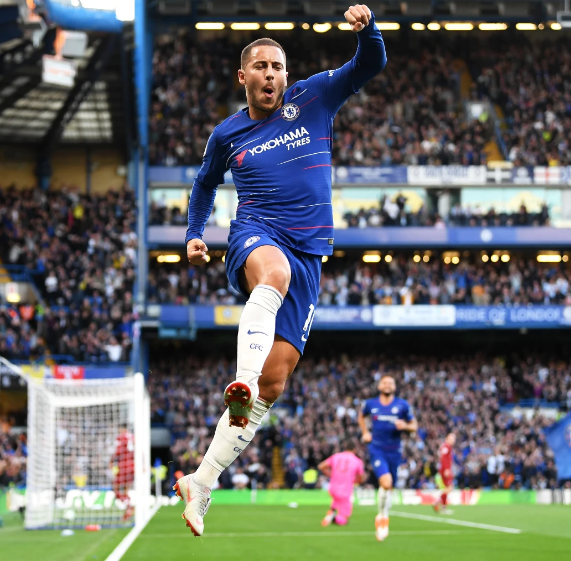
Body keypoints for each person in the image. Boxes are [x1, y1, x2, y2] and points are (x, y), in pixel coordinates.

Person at [176, 4, 386, 537]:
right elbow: (204, 184)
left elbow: (370, 64)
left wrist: (368, 31)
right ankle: (241, 383)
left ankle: (201, 482)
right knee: (274, 275)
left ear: (286, 76)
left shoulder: (313, 97)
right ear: (242, 77)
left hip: (310, 251)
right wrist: (195, 232)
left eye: (277, 67)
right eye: (260, 67)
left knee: (275, 380)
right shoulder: (227, 134)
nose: (270, 74)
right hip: (257, 232)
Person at [358, 375, 417, 542]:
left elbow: (414, 426)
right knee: (386, 482)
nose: (387, 385)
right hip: (377, 449)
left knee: (389, 488)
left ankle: (384, 513)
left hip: (395, 452)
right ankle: (382, 517)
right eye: (384, 382)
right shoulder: (370, 404)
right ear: (379, 386)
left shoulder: (402, 405)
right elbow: (361, 416)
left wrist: (405, 426)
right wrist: (365, 432)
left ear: (394, 387)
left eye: (391, 383)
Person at [319, 439, 366, 527]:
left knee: (336, 501)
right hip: (345, 490)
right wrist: (356, 480)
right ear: (354, 449)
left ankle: (331, 512)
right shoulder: (357, 461)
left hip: (333, 487)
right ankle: (334, 518)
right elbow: (361, 477)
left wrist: (330, 474)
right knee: (345, 518)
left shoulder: (336, 456)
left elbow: (321, 466)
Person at [111, 423, 135, 521]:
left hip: (124, 465)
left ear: (122, 429)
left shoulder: (120, 437)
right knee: (126, 490)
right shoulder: (133, 437)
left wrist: (111, 461)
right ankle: (128, 512)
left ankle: (130, 506)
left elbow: (118, 451)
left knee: (115, 488)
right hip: (133, 465)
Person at [433, 432, 456, 515]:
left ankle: (443, 507)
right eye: (453, 438)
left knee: (447, 487)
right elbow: (444, 458)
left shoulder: (444, 446)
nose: (454, 440)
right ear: (448, 438)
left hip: (444, 469)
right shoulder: (446, 446)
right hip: (445, 470)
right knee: (449, 488)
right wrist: (446, 469)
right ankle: (438, 502)